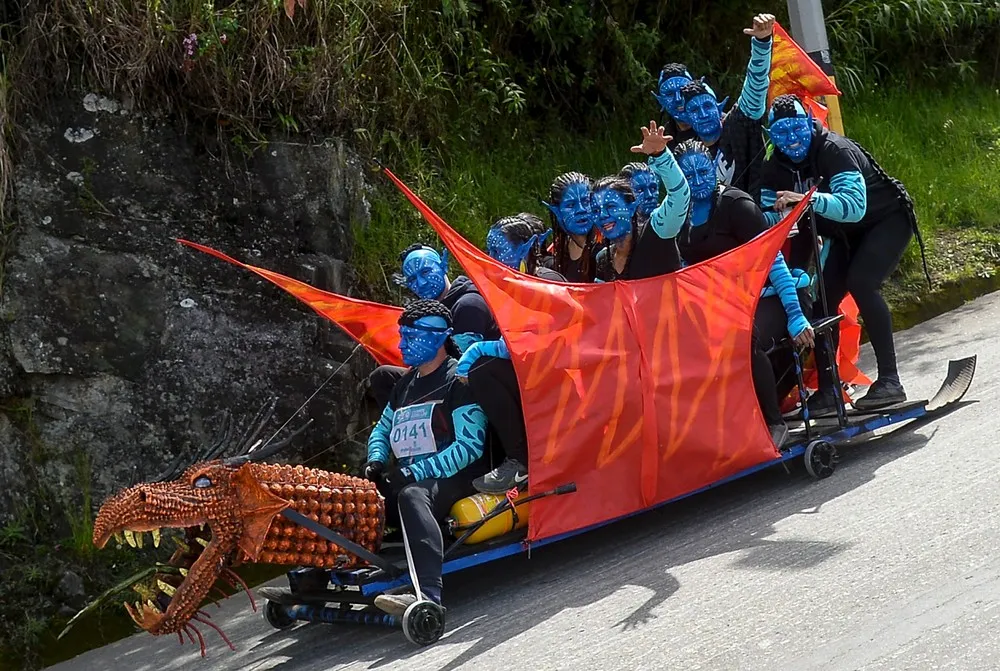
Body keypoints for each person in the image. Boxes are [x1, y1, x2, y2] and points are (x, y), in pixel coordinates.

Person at [758, 93, 920, 414]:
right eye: (781, 134)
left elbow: (854, 207)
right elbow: (766, 217)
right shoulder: (773, 166)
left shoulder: (835, 149)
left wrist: (805, 200)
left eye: (798, 130)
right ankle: (829, 389)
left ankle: (890, 381)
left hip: (885, 220)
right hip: (842, 234)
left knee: (862, 282)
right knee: (819, 300)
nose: (791, 140)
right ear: (770, 137)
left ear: (810, 124)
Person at [671, 137, 814, 446]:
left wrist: (795, 315)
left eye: (703, 172)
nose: (697, 181)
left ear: (714, 169)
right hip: (724, 307)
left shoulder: (736, 205)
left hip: (774, 296)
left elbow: (774, 261)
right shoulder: (679, 217)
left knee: (741, 339)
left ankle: (773, 422)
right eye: (688, 175)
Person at [361, 299, 489, 616]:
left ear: (437, 337)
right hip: (413, 475)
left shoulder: (457, 380)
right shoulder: (405, 383)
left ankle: (428, 594)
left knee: (411, 496)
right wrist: (376, 459)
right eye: (402, 335)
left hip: (457, 478)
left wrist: (415, 473)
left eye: (410, 336)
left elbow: (471, 445)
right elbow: (382, 428)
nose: (402, 343)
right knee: (355, 498)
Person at [458, 214, 566, 495]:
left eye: (498, 250)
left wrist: (483, 348)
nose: (491, 258)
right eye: (489, 251)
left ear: (527, 246)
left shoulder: (544, 280)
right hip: (530, 375)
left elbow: (543, 339)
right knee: (478, 376)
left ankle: (521, 460)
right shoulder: (505, 285)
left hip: (560, 376)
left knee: (482, 368)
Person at [367, 244, 501, 408]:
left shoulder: (468, 305)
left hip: (472, 386)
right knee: (384, 376)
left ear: (444, 265)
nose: (421, 283)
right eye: (412, 280)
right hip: (441, 376)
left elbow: (460, 364)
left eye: (425, 272)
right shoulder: (428, 313)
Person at [677, 13, 775, 199]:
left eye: (707, 106)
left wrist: (762, 44)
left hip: (761, 217)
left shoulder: (740, 122)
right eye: (695, 110)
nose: (703, 114)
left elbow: (756, 83)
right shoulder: (691, 154)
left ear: (718, 106)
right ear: (687, 119)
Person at [592, 122, 690, 282]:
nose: (603, 215)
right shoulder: (603, 260)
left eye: (610, 206)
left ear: (631, 207)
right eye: (596, 210)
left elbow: (679, 195)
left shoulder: (657, 233)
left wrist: (661, 155)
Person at [542, 172, 600, 282]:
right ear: (557, 211)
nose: (581, 210)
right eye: (571, 205)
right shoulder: (559, 249)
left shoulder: (607, 247)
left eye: (586, 201)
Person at [485, 214, 566, 281]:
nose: (490, 258)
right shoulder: (489, 281)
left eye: (496, 251)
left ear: (524, 250)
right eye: (489, 251)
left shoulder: (551, 284)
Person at [652, 63, 697, 147]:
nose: (678, 99)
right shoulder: (665, 138)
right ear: (661, 101)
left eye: (683, 91)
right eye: (670, 94)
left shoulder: (719, 125)